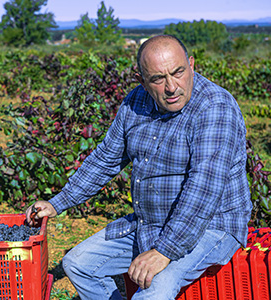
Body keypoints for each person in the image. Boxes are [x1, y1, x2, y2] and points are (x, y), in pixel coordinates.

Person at [26, 34, 252, 300]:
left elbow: (202, 190)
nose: (171, 87)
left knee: (153, 292)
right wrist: (57, 203)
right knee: (78, 264)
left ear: (191, 64)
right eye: (158, 78)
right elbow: (105, 159)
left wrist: (164, 251)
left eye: (178, 72)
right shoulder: (136, 103)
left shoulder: (215, 107)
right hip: (152, 222)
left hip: (212, 224)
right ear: (142, 80)